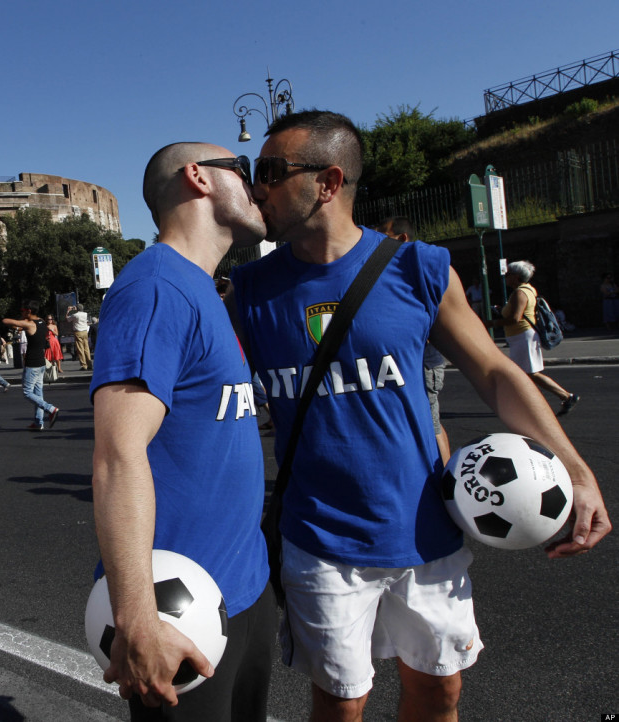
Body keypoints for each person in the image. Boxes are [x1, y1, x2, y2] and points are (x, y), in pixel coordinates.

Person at [227, 110, 610, 721]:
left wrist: (577, 472)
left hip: (426, 529)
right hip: (319, 539)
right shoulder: (248, 291)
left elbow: (495, 372)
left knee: (439, 691)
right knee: (341, 704)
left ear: (328, 182)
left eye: (270, 171)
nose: (257, 186)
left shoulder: (418, 269)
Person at [92, 142, 274, 720]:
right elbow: (117, 455)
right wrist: (139, 618)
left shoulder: (204, 288)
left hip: (243, 589)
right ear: (198, 177)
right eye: (246, 172)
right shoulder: (155, 289)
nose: (260, 186)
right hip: (178, 611)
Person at [376, 217, 451, 463]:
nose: (377, 240)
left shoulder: (419, 271)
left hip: (427, 363)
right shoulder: (403, 272)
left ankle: (443, 478)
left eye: (383, 234)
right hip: (421, 364)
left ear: (402, 238)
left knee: (431, 426)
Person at [487, 260, 579, 416]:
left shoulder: (520, 293)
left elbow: (516, 318)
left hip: (522, 336)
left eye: (508, 274)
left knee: (528, 374)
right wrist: (502, 310)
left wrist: (491, 323)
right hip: (521, 337)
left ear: (516, 276)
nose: (505, 277)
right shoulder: (528, 290)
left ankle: (565, 396)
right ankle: (560, 397)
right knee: (525, 374)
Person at [4, 301, 58, 431]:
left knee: (27, 392)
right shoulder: (42, 322)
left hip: (32, 363)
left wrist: (19, 323)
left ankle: (51, 409)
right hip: (41, 362)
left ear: (29, 311)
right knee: (38, 393)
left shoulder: (29, 324)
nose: (21, 313)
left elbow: (5, 321)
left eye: (23, 311)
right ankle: (39, 422)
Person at [65, 304, 92, 370]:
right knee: (86, 348)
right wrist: (75, 309)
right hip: (85, 331)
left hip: (78, 332)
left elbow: (67, 319)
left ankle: (84, 365)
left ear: (77, 308)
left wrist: (68, 311)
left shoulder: (75, 315)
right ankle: (90, 364)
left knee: (80, 349)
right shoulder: (85, 314)